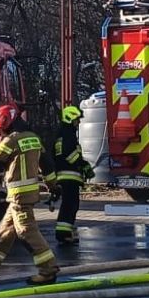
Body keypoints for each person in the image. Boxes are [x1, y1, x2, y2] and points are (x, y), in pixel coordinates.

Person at [0, 105, 59, 284]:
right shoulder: (34, 138)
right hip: (25, 195)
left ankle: (48, 270)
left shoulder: (10, 140)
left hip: (19, 196)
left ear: (6, 123)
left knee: (27, 232)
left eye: (1, 130)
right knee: (4, 231)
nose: (0, 133)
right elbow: (47, 165)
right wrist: (53, 186)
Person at [48, 104, 94, 243]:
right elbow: (69, 155)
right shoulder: (68, 135)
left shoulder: (61, 134)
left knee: (68, 204)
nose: (78, 122)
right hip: (69, 175)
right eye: (76, 119)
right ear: (70, 119)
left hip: (63, 175)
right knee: (70, 205)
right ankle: (63, 234)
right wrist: (83, 164)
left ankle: (65, 232)